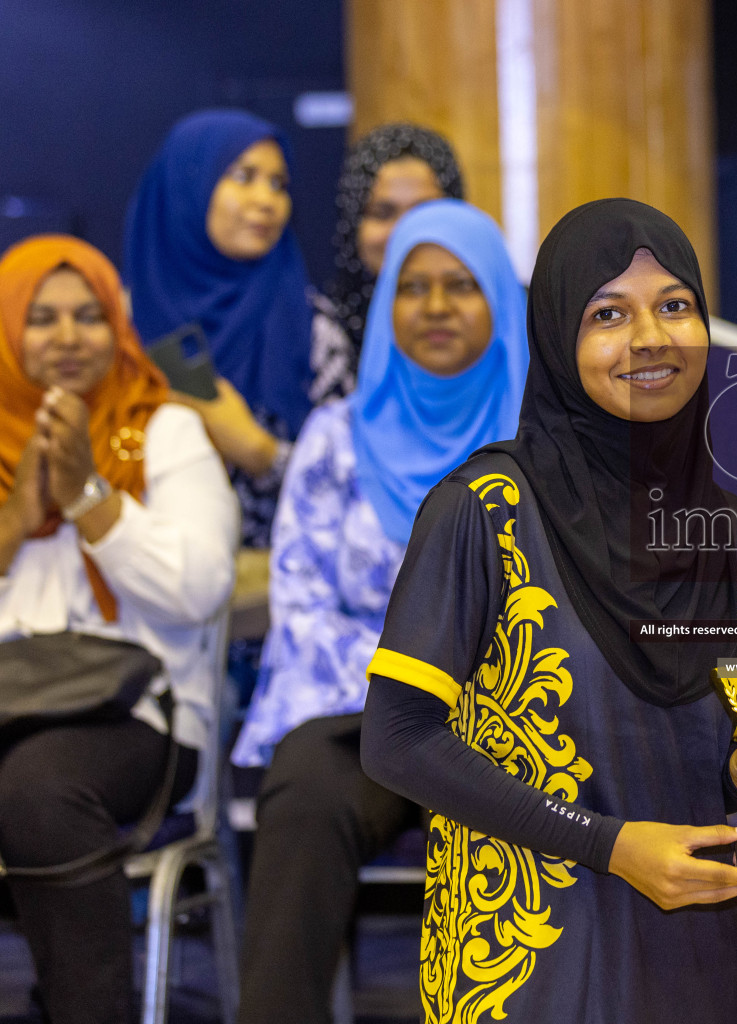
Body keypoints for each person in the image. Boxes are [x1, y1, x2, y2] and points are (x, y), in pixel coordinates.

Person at [359, 198, 737, 1023]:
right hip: (523, 948)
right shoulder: (482, 511)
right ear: (559, 339)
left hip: (688, 941)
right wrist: (609, 845)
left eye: (675, 306)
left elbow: (727, 757)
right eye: (609, 313)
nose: (650, 336)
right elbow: (396, 741)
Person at [230, 199, 529, 1021]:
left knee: (525, 811)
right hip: (357, 711)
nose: (435, 308)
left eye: (462, 286)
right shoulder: (335, 436)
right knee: (305, 797)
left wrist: (480, 701)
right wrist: (405, 694)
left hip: (509, 716)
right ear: (387, 301)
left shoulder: (544, 437)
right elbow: (303, 601)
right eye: (414, 287)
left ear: (502, 301)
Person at [0, 235, 237, 1024]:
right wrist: (16, 519)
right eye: (41, 318)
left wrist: (89, 499)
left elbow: (199, 590)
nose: (67, 337)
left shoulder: (165, 429)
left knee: (37, 787)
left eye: (88, 316)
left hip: (144, 720)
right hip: (11, 707)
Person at [124, 108, 315, 548]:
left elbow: (355, 486)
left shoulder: (313, 324)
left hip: (280, 590)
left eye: (278, 184)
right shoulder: (115, 331)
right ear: (187, 185)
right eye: (243, 176)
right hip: (137, 587)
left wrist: (259, 452)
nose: (266, 200)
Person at [310, 122, 465, 404]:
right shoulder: (321, 334)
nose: (403, 232)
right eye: (383, 213)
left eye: (424, 212)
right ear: (352, 224)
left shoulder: (503, 321)